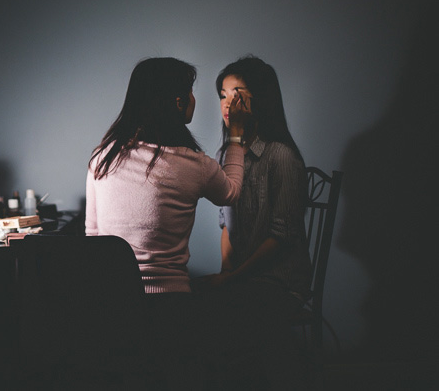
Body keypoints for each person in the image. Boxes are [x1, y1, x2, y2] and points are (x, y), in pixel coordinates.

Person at [85, 56, 250, 294]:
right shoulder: (193, 163)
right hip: (168, 302)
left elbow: (93, 235)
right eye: (191, 92)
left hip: (111, 302)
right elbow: (231, 192)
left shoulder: (101, 157)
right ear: (179, 102)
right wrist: (235, 135)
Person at [192, 55, 313, 308]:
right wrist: (226, 271)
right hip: (241, 280)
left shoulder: (281, 156)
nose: (227, 104)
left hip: (280, 284)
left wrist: (231, 279)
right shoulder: (225, 155)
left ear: (259, 99)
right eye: (223, 96)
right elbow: (226, 225)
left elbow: (281, 237)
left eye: (236, 94)